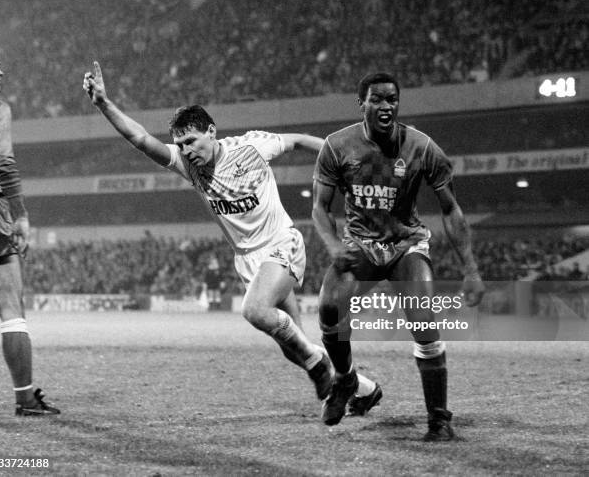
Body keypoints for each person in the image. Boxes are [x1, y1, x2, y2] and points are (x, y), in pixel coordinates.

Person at [82, 61, 379, 407]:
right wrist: (104, 103)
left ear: (212, 131)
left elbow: (296, 140)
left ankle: (319, 370)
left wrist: (342, 156)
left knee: (255, 312)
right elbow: (139, 137)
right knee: (292, 345)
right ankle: (364, 390)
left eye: (191, 140)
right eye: (181, 144)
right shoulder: (187, 167)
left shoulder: (251, 148)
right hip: (249, 261)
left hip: (281, 242)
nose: (187, 150)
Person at [312, 72, 485, 440]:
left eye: (392, 99)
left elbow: (451, 210)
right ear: (362, 103)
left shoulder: (422, 147)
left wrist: (471, 269)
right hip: (360, 244)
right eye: (377, 99)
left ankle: (439, 420)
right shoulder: (337, 146)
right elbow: (319, 207)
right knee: (329, 309)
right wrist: (331, 245)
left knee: (424, 323)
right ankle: (344, 380)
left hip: (406, 244)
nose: (386, 106)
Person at [0, 45, 60, 416]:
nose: (2, 73)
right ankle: (25, 399)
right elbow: (3, 162)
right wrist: (21, 214)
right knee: (11, 309)